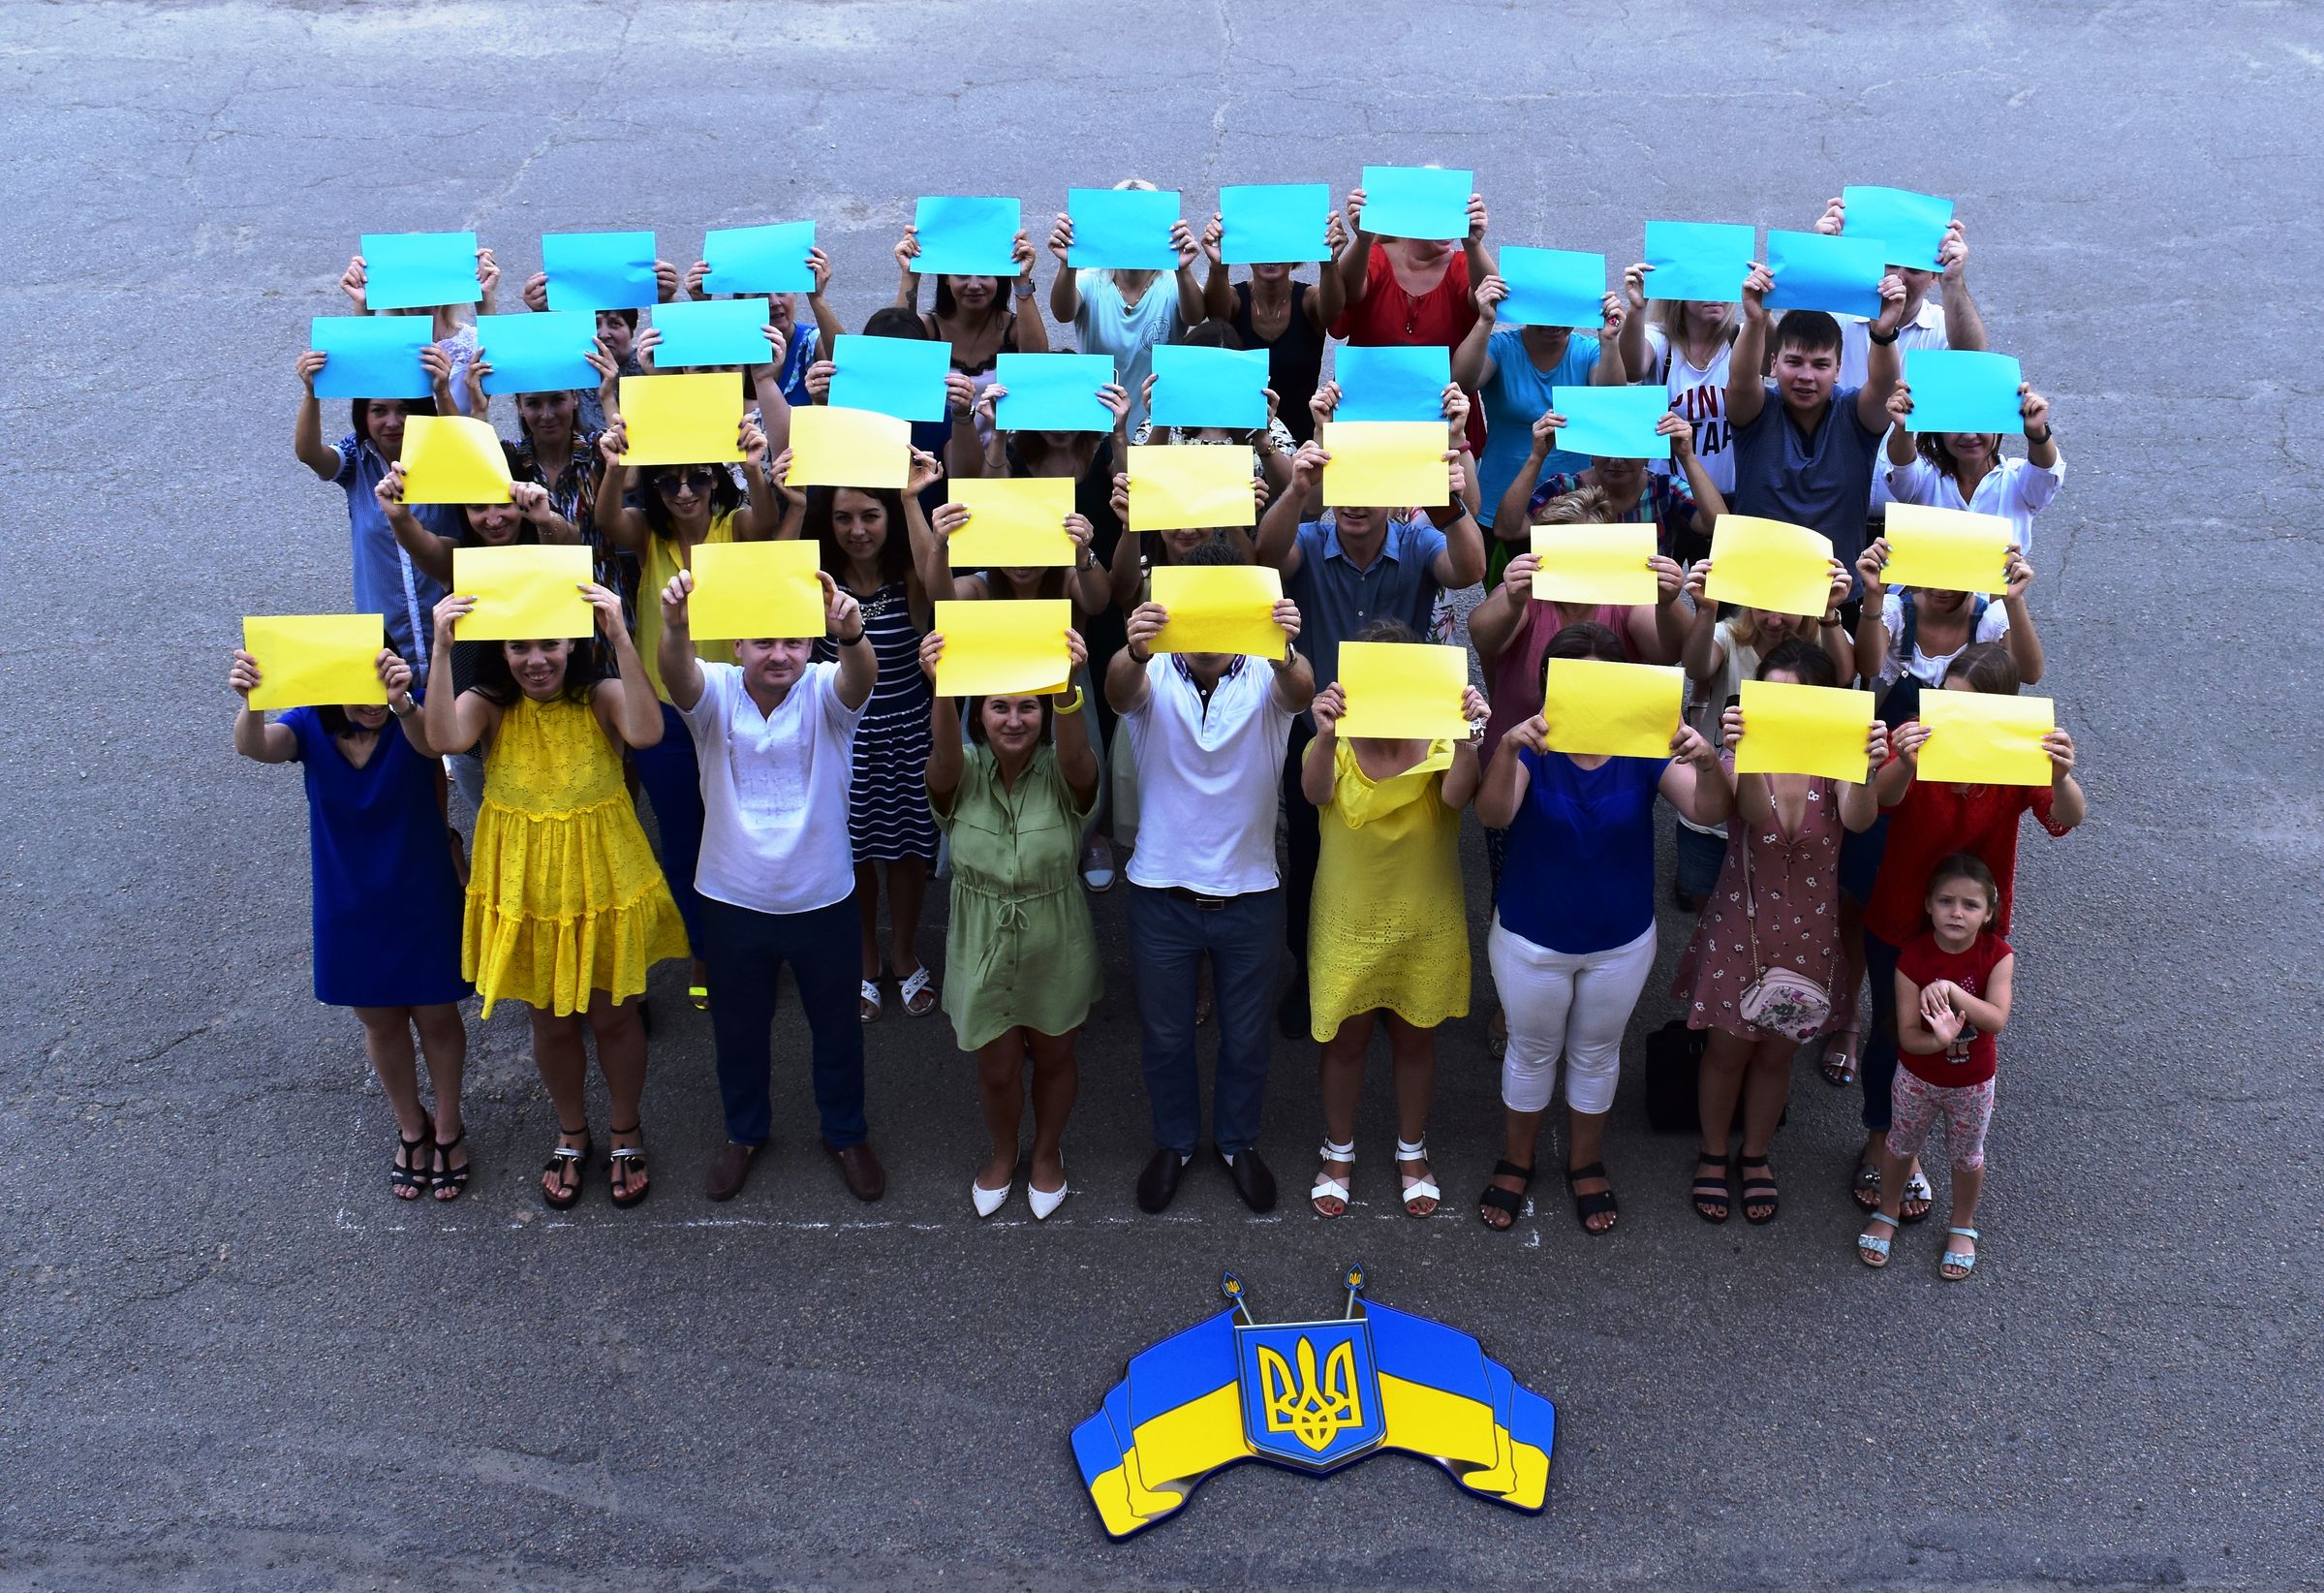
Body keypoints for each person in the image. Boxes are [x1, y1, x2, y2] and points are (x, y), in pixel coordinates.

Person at [411, 584, 688, 1211]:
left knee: (615, 1017)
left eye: (550, 645)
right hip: (528, 890)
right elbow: (442, 739)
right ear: (501, 652)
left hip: (601, 883)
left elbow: (648, 732)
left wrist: (620, 636)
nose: (536, 660)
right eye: (519, 647)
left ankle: (625, 1129)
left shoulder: (601, 695)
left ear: (573, 644)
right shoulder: (490, 705)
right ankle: (571, 1131)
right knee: (550, 1022)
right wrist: (442, 647)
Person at [1473, 622, 1731, 1234]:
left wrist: (1708, 761)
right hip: (1531, 936)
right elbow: (1494, 814)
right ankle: (1518, 1158)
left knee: (1596, 1054)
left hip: (1621, 940)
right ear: (1551, 686)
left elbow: (1707, 809)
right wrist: (1505, 750)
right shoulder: (1532, 744)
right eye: (1575, 677)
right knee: (1531, 1051)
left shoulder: (1643, 744)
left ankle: (1585, 1161)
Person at [1255, 383, 1485, 1039]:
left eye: (1369, 489)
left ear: (1392, 494)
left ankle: (1392, 976)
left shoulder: (1416, 542)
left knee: (1404, 859)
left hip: (1401, 739)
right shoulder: (1307, 535)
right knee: (1310, 859)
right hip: (1323, 737)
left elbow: (1469, 569)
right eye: (1344, 488)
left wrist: (1448, 498)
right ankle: (1310, 973)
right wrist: (1298, 487)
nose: (1355, 503)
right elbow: (1266, 557)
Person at [653, 567, 887, 1205]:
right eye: (762, 642)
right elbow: (676, 675)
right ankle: (744, 1133)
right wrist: (673, 627)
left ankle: (846, 1134)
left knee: (837, 1030)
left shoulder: (825, 689)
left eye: (792, 641)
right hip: (732, 898)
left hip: (823, 897)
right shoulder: (715, 692)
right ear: (737, 646)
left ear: (811, 644)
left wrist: (851, 633)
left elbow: (861, 679)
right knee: (738, 1030)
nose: (779, 654)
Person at [1107, 543, 1315, 1215]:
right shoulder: (1150, 671)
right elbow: (1117, 691)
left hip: (1251, 892)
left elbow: (1301, 692)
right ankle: (1172, 1143)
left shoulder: (1265, 674)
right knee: (1166, 1038)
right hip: (1160, 892)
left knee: (1246, 1039)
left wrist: (1283, 648)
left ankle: (1236, 1143)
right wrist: (1134, 649)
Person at [230, 644, 472, 1201]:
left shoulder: (412, 715)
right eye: (359, 689)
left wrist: (403, 702)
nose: (373, 702)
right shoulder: (307, 726)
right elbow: (255, 747)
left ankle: (449, 1125)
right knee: (380, 1021)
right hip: (349, 899)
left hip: (423, 890)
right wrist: (252, 702)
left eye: (380, 684)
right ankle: (411, 1126)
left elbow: (432, 745)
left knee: (437, 1017)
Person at [1851, 643, 2084, 1220]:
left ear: (2000, 711)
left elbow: (2065, 820)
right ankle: (1883, 1140)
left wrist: (2061, 776)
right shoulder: (1918, 735)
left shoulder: (2017, 752)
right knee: (1892, 1029)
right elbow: (1880, 803)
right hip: (1902, 913)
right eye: (1947, 701)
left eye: (1969, 707)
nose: (1951, 716)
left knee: (1960, 1031)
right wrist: (1904, 762)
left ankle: (1924, 1135)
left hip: (1971, 928)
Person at [1670, 640, 1887, 1225]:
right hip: (1740, 931)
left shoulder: (1836, 758)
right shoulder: (1741, 752)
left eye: (1798, 699)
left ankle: (1756, 1155)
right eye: (1772, 696)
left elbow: (1860, 818)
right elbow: (1742, 811)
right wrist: (1740, 753)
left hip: (1810, 938)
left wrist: (1868, 769)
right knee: (1726, 1053)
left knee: (1775, 1058)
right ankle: (1714, 1153)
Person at [591, 406, 784, 1009]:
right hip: (666, 712)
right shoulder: (648, 538)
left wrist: (755, 467)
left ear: (714, 481)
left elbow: (767, 519)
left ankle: (753, 946)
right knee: (683, 840)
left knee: (747, 832)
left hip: (732, 706)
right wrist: (613, 467)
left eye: (697, 478)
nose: (683, 492)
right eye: (670, 482)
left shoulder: (733, 526)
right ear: (654, 490)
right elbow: (606, 520)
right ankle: (704, 947)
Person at [1300, 622, 1489, 1220]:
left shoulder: (1440, 739)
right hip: (1347, 922)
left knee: (1416, 1038)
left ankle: (1412, 1149)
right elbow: (1313, 794)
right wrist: (1324, 735)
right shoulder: (1335, 741)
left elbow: (1458, 798)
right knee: (1345, 1041)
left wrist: (1468, 740)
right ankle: (1338, 1150)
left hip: (1424, 923)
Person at [919, 624, 1102, 1220]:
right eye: (999, 707)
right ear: (980, 714)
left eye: (1028, 707)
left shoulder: (1063, 770)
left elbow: (1078, 757)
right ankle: (1004, 1153)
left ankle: (1047, 1153)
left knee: (1055, 1058)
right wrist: (942, 688)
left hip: (1056, 940)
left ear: (1044, 715)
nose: (1015, 720)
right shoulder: (961, 770)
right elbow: (943, 757)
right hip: (981, 943)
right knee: (997, 1070)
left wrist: (1067, 686)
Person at [805, 464, 945, 1019]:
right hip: (845, 741)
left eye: (870, 515)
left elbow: (936, 583)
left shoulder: (909, 576)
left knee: (909, 852)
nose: (857, 530)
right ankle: (864, 958)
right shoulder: (816, 584)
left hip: (909, 732)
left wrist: (910, 500)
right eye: (843, 517)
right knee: (854, 855)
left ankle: (904, 953)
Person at [1856, 852, 2013, 1281]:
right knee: (1899, 1146)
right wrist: (1938, 1041)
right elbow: (1907, 1036)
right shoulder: (1912, 958)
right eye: (1946, 901)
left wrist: (1952, 992)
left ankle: (1962, 1225)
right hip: (1917, 1079)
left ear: (1988, 912)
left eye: (1970, 905)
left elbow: (1996, 1019)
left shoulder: (1998, 955)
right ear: (1928, 905)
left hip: (1973, 1083)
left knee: (1967, 1156)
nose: (1957, 913)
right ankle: (1887, 1211)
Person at [1672, 549, 1857, 911]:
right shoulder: (1729, 635)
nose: (1774, 620)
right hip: (1716, 810)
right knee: (1703, 900)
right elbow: (1696, 668)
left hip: (1786, 816)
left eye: (1785, 609)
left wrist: (1830, 615)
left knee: (1775, 911)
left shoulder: (1822, 637)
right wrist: (1706, 610)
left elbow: (1844, 675)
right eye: (1763, 608)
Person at [1811, 198, 1988, 517]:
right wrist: (1823, 257)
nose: (1900, 277)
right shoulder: (1837, 315)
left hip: (1912, 509)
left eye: (1915, 269)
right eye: (1890, 264)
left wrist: (1954, 281)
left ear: (1933, 277)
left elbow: (1973, 364)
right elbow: (1791, 349)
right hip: (1831, 502)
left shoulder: (1943, 325)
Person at [1725, 270, 1907, 577]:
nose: (1806, 376)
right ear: (1773, 363)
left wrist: (1883, 331)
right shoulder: (1756, 411)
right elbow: (1741, 381)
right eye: (1794, 362)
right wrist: (1756, 319)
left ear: (1838, 369)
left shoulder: (1854, 415)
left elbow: (1883, 388)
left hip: (1838, 590)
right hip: (1755, 588)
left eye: (1821, 364)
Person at [291, 350, 455, 676]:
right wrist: (311, 392)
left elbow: (464, 442)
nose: (392, 422)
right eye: (379, 410)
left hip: (452, 639)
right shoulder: (355, 459)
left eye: (404, 409)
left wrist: (442, 390)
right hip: (387, 645)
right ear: (363, 415)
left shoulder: (447, 454)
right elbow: (309, 454)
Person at [1457, 276, 1630, 557]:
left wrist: (1609, 341)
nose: (1554, 323)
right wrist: (1485, 321)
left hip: (1574, 509)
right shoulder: (1501, 347)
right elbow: (1463, 381)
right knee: (1504, 583)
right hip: (1501, 502)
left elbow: (1612, 404)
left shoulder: (1588, 351)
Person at [1331, 181, 1495, 456]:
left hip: (1441, 427)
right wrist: (1363, 239)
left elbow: (1488, 299)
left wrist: (1473, 244)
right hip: (1369, 419)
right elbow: (1343, 299)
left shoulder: (1462, 265)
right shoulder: (1375, 256)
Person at [1048, 181, 1208, 437]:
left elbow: (1196, 316)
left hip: (1155, 430)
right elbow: (1062, 313)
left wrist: (1183, 270)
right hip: (1096, 429)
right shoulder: (1091, 280)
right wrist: (1067, 266)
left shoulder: (1172, 283)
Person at [1491, 407, 1725, 573]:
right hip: (1577, 606)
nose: (1616, 460)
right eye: (1606, 449)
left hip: (1646, 609)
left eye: (1627, 451)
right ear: (1591, 452)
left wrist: (1687, 456)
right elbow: (1507, 529)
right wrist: (1537, 456)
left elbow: (1719, 527)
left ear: (1647, 456)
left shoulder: (1666, 489)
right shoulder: (1564, 487)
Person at [1197, 206, 1348, 443]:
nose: (1270, 254)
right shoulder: (1234, 299)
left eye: (1279, 245)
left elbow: (1332, 313)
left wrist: (1330, 264)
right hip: (1241, 436)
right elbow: (1217, 317)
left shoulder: (1309, 301)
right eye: (1260, 245)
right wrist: (1218, 266)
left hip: (1302, 437)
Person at [894, 219, 1049, 446]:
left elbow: (1038, 363)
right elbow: (896, 353)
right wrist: (910, 274)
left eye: (985, 275)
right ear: (946, 279)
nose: (974, 285)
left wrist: (1021, 279)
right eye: (962, 275)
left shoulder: (1016, 329)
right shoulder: (927, 328)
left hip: (1003, 455)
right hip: (938, 455)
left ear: (999, 279)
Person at [1883, 380, 2063, 552]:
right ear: (1940, 430)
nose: (1969, 436)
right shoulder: (1925, 474)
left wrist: (2037, 431)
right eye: (1957, 424)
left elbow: (2044, 472)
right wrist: (1903, 427)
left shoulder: (2017, 480)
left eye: (1980, 423)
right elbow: (1901, 468)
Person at [1628, 266, 1740, 499]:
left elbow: (1772, 361)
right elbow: (1632, 369)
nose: (1715, 293)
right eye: (1703, 284)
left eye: (1722, 283)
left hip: (1730, 494)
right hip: (1668, 497)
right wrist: (1637, 309)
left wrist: (1762, 309)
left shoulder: (1739, 340)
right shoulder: (1658, 339)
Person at [683, 244, 842, 406]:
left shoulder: (810, 341)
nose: (774, 302)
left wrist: (817, 298)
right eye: (761, 295)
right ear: (742, 304)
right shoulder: (731, 346)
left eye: (781, 290)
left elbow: (846, 366)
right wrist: (701, 304)